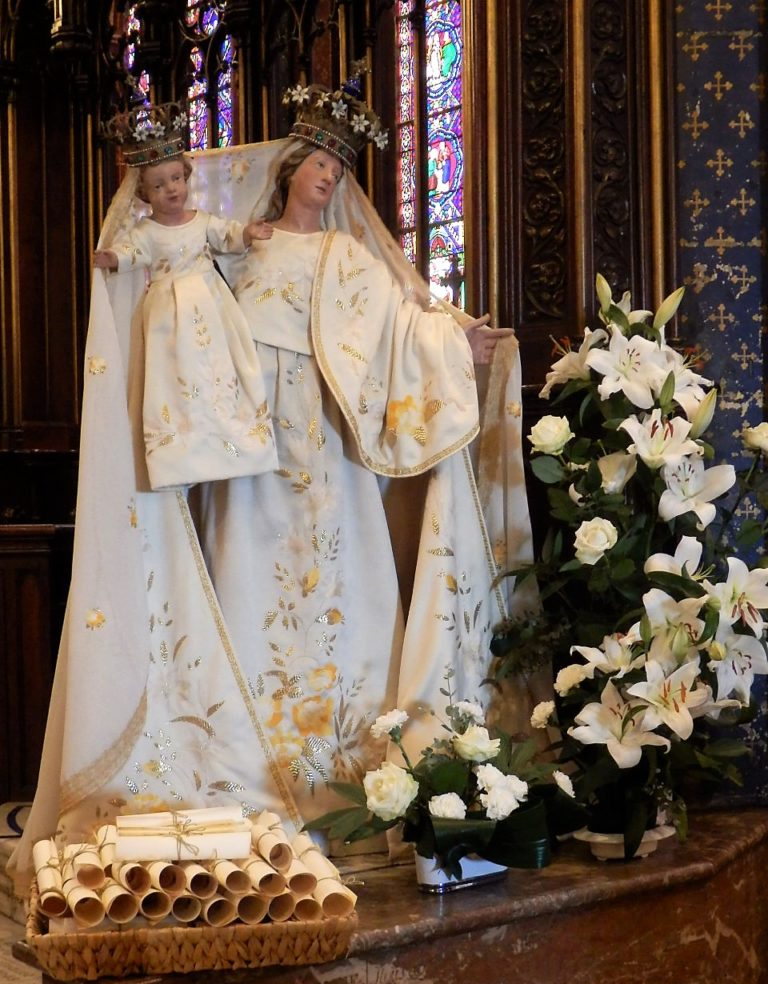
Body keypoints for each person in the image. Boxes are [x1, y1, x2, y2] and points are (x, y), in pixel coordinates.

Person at [8, 73, 536, 889]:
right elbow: (191, 319)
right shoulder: (242, 248)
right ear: (290, 171)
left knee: (350, 599)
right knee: (249, 589)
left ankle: (361, 791)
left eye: (338, 169)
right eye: (318, 164)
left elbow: (402, 323)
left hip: (332, 451)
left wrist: (454, 343)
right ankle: (252, 787)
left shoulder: (349, 255)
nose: (328, 178)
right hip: (252, 454)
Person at [94, 102, 278, 490]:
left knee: (219, 371)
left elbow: (227, 236)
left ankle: (233, 442)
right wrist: (112, 257)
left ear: (186, 177)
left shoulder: (202, 221)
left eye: (176, 179)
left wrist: (247, 234)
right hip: (167, 316)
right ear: (145, 194)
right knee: (173, 379)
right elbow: (132, 252)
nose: (171, 189)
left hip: (210, 307)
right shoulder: (146, 232)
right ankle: (179, 454)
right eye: (159, 185)